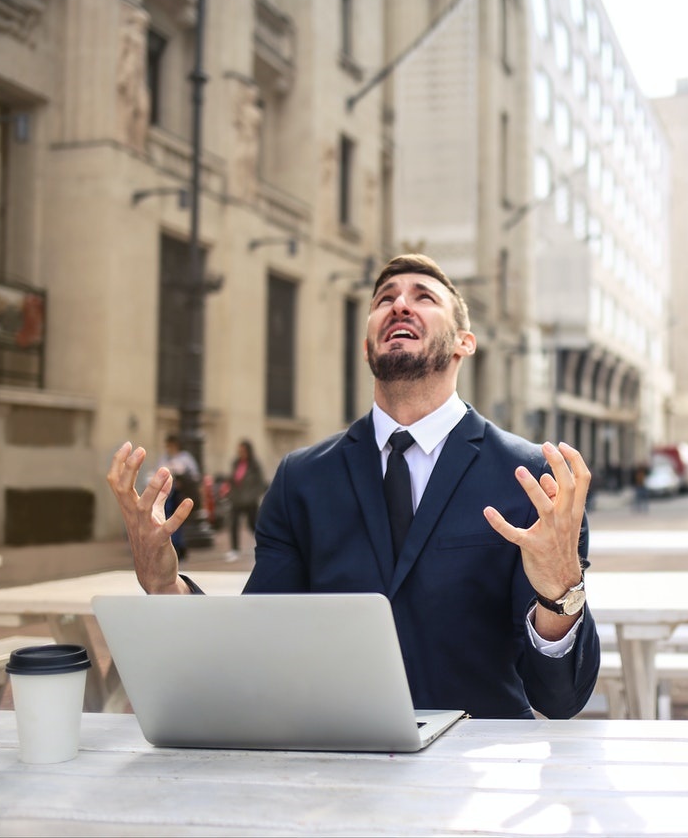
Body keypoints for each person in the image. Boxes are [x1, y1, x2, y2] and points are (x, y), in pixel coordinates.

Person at [108, 254, 601, 720]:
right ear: (367, 346)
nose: (400, 304)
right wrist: (162, 585)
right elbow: (255, 648)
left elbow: (559, 698)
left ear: (463, 343)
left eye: (423, 297)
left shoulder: (534, 479)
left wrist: (561, 590)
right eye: (384, 299)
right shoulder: (301, 479)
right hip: (338, 767)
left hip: (476, 774)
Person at [156, 434, 200, 561]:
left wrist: (182, 478)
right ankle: (172, 545)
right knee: (167, 518)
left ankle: (179, 546)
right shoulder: (164, 458)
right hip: (167, 493)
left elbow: (194, 475)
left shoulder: (185, 458)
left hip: (180, 493)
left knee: (177, 519)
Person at [225, 439, 267, 562]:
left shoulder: (255, 465)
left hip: (250, 502)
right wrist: (230, 494)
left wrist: (252, 496)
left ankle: (264, 546)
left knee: (253, 525)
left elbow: (260, 484)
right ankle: (234, 549)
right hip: (236, 500)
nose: (241, 453)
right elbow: (232, 480)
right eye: (239, 450)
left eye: (243, 450)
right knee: (233, 524)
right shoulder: (236, 463)